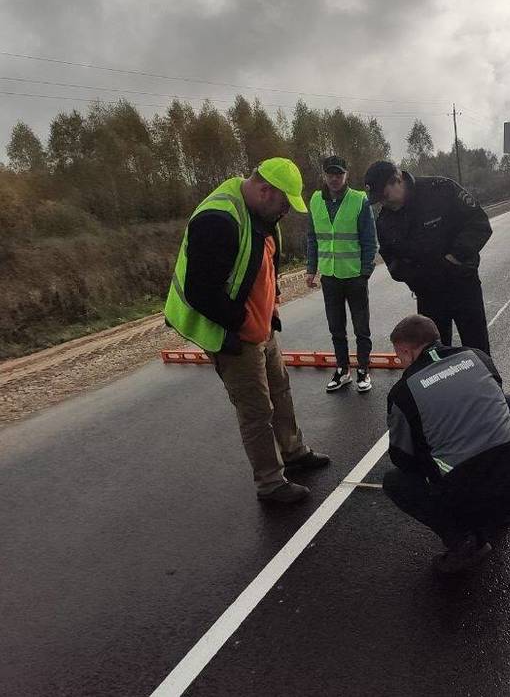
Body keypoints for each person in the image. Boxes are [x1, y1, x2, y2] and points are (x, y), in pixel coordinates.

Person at [164, 158, 330, 503]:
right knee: (257, 409)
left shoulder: (264, 213)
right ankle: (271, 483)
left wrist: (269, 310)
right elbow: (200, 292)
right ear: (265, 190)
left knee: (280, 390)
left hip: (260, 325)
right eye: (284, 203)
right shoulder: (218, 220)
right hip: (231, 334)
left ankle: (293, 452)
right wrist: (241, 325)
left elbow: (264, 263)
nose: (286, 211)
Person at [382, 314, 510, 573]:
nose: (400, 362)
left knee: (395, 481)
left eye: (399, 356)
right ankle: (502, 512)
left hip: (471, 498)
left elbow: (402, 458)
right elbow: (494, 399)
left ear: (406, 351)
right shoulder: (477, 356)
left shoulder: (402, 391)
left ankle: (464, 542)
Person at [364, 161, 492, 354]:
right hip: (428, 294)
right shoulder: (385, 220)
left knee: (478, 351)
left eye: (384, 196)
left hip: (462, 285)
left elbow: (479, 224)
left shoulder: (440, 190)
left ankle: (485, 385)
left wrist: (453, 258)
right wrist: (413, 277)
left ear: (397, 180)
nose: (383, 202)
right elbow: (391, 258)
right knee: (434, 357)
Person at [306, 155, 378, 393]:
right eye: (330, 174)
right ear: (324, 176)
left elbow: (369, 240)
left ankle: (363, 370)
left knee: (361, 328)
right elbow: (313, 238)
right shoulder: (315, 200)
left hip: (355, 276)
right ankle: (343, 370)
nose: (335, 178)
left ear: (346, 175)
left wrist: (365, 272)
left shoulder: (359, 201)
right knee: (336, 327)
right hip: (330, 277)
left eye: (339, 174)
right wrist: (311, 269)